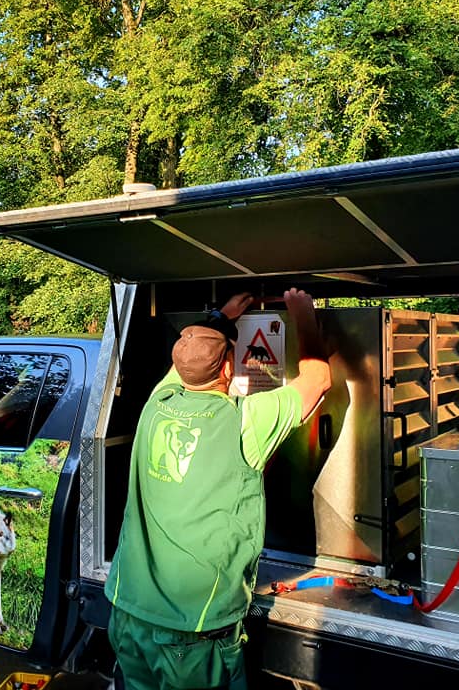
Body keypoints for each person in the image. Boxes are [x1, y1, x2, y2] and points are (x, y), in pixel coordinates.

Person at [105, 288, 332, 690]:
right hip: (190, 629)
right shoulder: (244, 422)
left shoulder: (157, 401)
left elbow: (189, 362)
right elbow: (319, 380)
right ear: (229, 367)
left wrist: (221, 317)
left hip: (128, 612)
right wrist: (303, 314)